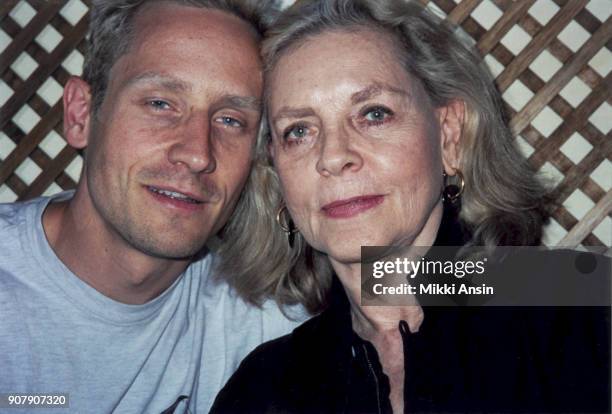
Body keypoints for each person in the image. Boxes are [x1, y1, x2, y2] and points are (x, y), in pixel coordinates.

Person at [211, 0, 611, 412]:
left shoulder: (585, 312)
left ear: (449, 136)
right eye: (298, 131)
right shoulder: (262, 390)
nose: (333, 156)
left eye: (374, 113)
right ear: (277, 176)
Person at [0, 1, 306, 412]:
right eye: (161, 103)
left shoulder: (260, 313)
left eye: (230, 120)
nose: (198, 154)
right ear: (81, 115)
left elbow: (410, 285)